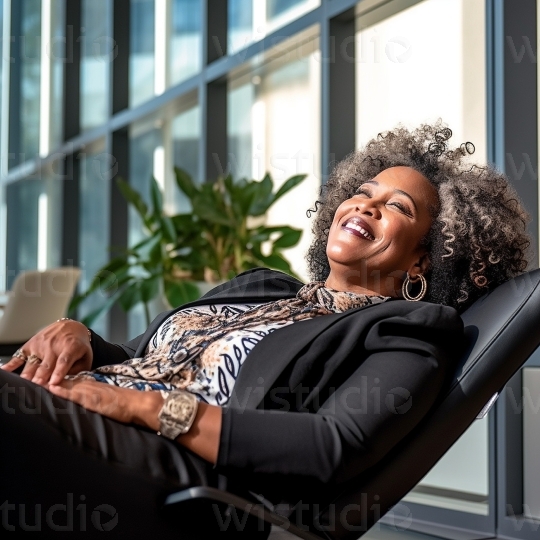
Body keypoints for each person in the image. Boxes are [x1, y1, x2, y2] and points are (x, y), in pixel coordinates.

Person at [0, 122, 530, 537]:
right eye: (365, 191)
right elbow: (138, 356)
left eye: (397, 207)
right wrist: (79, 335)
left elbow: (331, 447)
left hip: (173, 478)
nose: (367, 204)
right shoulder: (260, 287)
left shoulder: (410, 329)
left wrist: (146, 408)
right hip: (77, 414)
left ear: (423, 260)